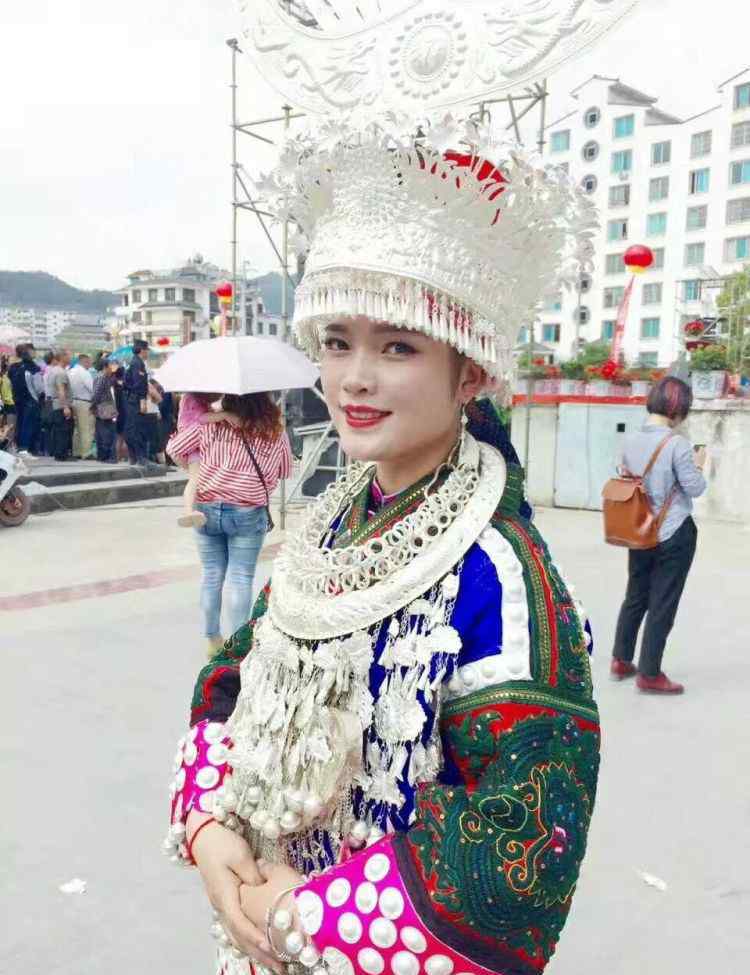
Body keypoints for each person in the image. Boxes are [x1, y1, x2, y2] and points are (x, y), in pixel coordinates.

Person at [164, 117, 600, 975]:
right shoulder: (331, 526)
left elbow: (519, 847)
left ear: (470, 371)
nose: (354, 377)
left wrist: (301, 913)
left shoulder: (500, 576)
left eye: (398, 345)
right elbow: (231, 681)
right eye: (337, 343)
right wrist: (210, 825)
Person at [167, 392, 292, 658]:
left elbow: (174, 449)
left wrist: (199, 469)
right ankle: (236, 648)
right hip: (248, 511)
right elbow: (285, 470)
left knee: (211, 574)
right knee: (240, 577)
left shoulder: (210, 424)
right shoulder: (275, 431)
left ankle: (212, 639)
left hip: (206, 507)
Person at [611, 377, 707, 694]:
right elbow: (695, 488)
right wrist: (698, 465)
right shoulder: (677, 444)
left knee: (636, 594)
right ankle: (649, 673)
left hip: (637, 527)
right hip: (673, 532)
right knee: (662, 602)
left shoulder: (629, 440)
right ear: (678, 410)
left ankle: (621, 659)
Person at [172, 393, 242, 529]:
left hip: (194, 445)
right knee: (195, 480)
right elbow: (202, 418)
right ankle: (188, 511)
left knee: (196, 480)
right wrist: (224, 415)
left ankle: (191, 510)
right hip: (193, 446)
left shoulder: (192, 398)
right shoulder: (192, 398)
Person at [123, 339, 150, 465]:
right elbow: (139, 384)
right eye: (146, 350)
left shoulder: (133, 362)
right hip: (135, 400)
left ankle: (133, 456)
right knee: (137, 429)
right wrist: (142, 400)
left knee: (132, 428)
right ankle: (140, 457)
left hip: (131, 399)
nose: (147, 353)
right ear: (142, 350)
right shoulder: (138, 363)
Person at [44, 349, 74, 461]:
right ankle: (62, 455)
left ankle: (58, 453)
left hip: (55, 404)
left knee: (58, 430)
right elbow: (61, 390)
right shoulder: (60, 372)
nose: (70, 358)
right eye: (69, 355)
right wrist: (65, 407)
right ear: (62, 357)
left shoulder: (53, 370)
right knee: (63, 430)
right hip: (61, 404)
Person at [91, 358, 120, 462]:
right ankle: (107, 456)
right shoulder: (102, 377)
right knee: (106, 433)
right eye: (110, 367)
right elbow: (96, 393)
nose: (112, 369)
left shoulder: (106, 377)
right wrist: (92, 406)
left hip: (105, 408)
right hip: (104, 408)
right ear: (105, 367)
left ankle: (104, 456)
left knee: (104, 432)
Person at [69, 352, 95, 459]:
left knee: (76, 429)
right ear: (85, 361)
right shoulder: (84, 373)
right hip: (84, 402)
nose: (90, 364)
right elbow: (92, 389)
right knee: (86, 428)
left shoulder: (70, 371)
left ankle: (76, 451)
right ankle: (86, 452)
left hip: (73, 402)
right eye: (89, 362)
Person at [0, 356, 16, 444]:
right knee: (9, 426)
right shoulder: (3, 378)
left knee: (8, 426)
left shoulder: (6, 377)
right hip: (7, 403)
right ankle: (9, 443)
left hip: (7, 403)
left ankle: (8, 443)